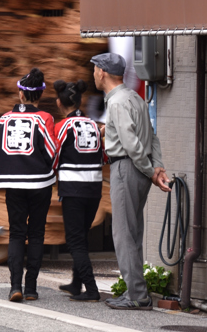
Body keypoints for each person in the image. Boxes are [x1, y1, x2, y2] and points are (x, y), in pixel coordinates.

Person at [91, 52, 169, 310]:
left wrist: (150, 170)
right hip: (138, 168)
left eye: (94, 69)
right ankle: (137, 292)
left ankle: (136, 295)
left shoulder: (116, 103)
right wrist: (156, 168)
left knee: (124, 233)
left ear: (102, 72)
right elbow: (152, 136)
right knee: (133, 232)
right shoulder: (135, 97)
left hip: (126, 167)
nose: (93, 73)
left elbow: (131, 144)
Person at [0, 68, 58, 302]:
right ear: (40, 95)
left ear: (21, 94)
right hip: (40, 183)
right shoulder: (44, 118)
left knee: (16, 233)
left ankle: (14, 287)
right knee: (36, 233)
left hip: (13, 183)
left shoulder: (5, 118)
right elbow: (52, 150)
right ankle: (31, 289)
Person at [52, 79, 103, 302]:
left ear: (59, 103)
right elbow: (103, 156)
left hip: (73, 188)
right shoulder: (93, 124)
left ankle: (91, 290)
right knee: (81, 235)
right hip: (94, 187)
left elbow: (53, 156)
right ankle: (76, 284)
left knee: (75, 241)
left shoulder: (63, 126)